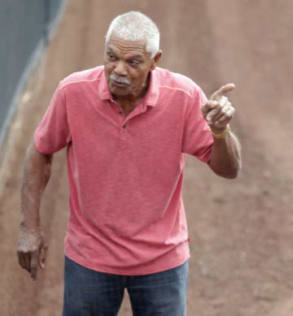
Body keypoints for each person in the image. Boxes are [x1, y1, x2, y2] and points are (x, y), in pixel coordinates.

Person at [17, 11, 241, 316]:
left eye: (133, 62)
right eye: (112, 57)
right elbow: (39, 151)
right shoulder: (73, 92)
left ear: (155, 60)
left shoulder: (184, 96)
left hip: (161, 262)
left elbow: (228, 169)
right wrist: (29, 227)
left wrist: (220, 131)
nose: (118, 70)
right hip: (90, 259)